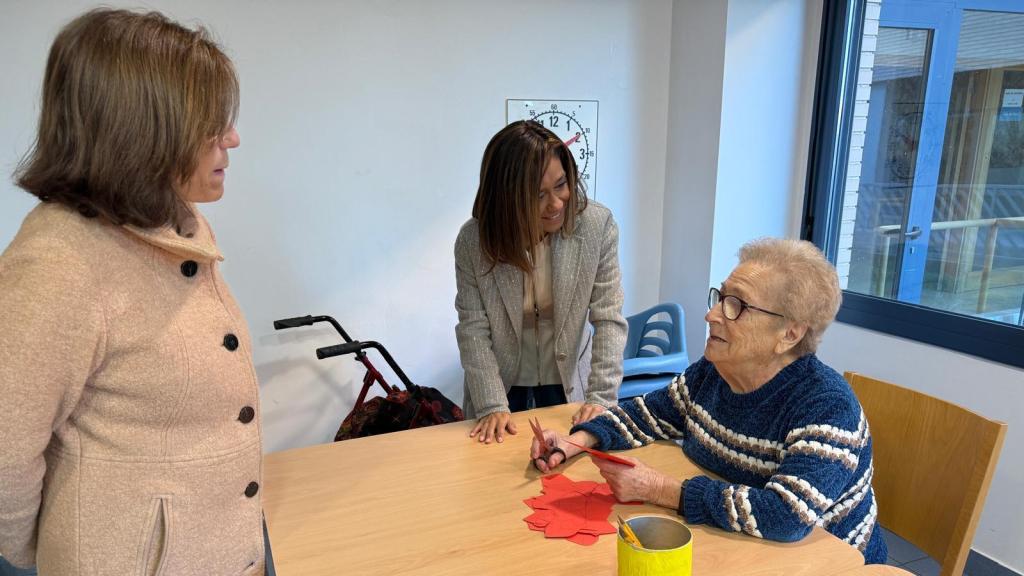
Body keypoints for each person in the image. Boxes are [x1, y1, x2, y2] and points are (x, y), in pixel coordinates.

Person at [0, 9, 265, 575]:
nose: (233, 139)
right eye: (212, 124)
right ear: (142, 132)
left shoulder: (170, 220)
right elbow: (4, 455)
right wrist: (57, 549)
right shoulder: (59, 264)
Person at [529, 238, 888, 563]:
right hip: (738, 547)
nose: (712, 315)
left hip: (826, 564)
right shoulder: (714, 371)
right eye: (720, 297)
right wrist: (577, 441)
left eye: (737, 306)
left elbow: (785, 517)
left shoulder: (826, 406)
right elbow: (649, 414)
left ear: (789, 334)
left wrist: (660, 489)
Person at [455, 120, 628, 444]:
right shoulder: (474, 241)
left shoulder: (596, 225)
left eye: (561, 185)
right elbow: (473, 329)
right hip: (501, 386)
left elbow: (609, 317)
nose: (557, 204)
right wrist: (491, 403)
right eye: (538, 195)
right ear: (507, 199)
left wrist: (601, 398)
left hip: (569, 382)